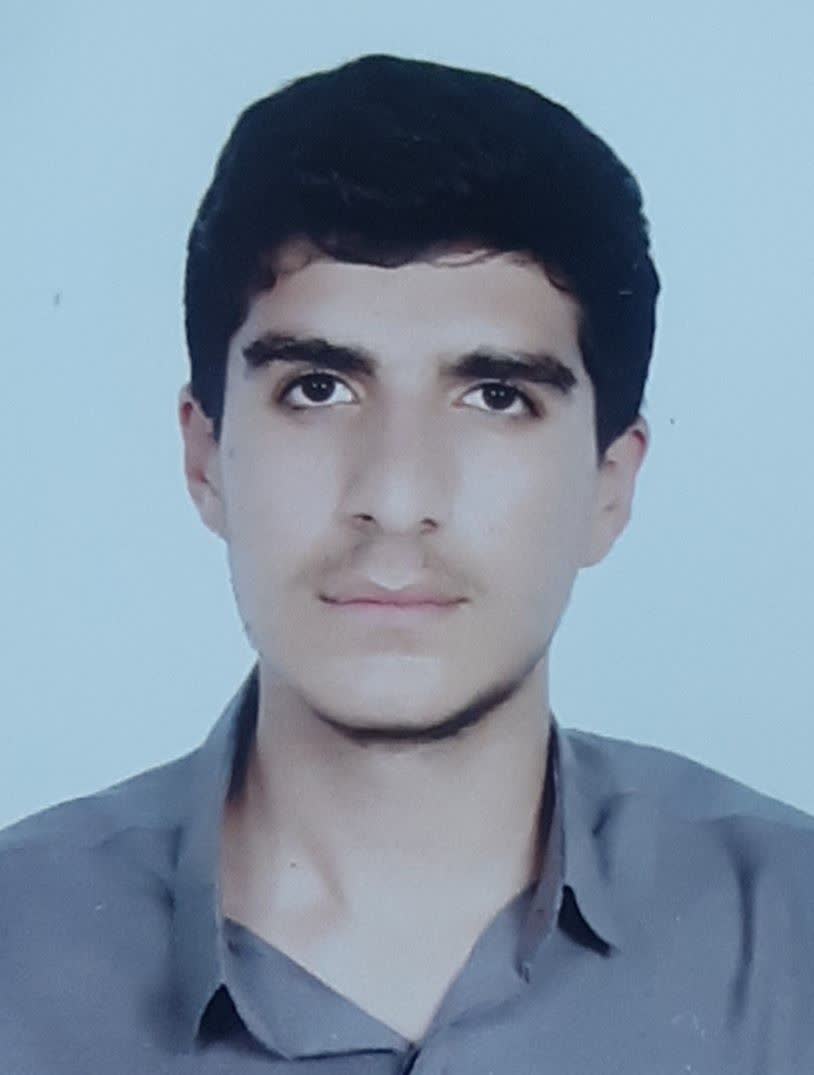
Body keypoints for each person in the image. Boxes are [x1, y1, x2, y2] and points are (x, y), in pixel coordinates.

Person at [2, 53, 813, 1074]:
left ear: (610, 485)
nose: (393, 494)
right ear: (204, 456)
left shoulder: (790, 936)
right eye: (317, 388)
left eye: (496, 397)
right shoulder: (19, 952)